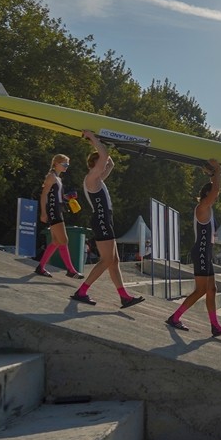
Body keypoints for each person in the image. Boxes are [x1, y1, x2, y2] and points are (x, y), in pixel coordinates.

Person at [69, 131, 145, 309]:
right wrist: (93, 138)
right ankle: (82, 291)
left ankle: (124, 297)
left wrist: (104, 144)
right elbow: (104, 157)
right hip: (101, 219)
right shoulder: (91, 178)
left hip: (105, 219)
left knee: (114, 261)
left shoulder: (98, 179)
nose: (103, 165)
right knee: (106, 260)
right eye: (100, 163)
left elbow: (110, 163)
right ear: (94, 165)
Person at [165, 159, 221, 337]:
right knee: (201, 290)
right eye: (214, 195)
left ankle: (215, 326)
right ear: (207, 195)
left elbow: (215, 188)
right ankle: (175, 317)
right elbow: (215, 189)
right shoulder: (202, 207)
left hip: (205, 253)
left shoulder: (207, 208)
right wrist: (218, 170)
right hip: (201, 252)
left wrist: (213, 175)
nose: (216, 197)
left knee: (212, 290)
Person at [35, 153, 83, 279]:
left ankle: (41, 267)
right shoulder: (51, 177)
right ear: (56, 164)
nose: (67, 166)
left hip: (57, 209)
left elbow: (56, 197)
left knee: (56, 241)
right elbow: (44, 194)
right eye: (64, 164)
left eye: (67, 164)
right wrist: (43, 212)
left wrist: (68, 197)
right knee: (64, 240)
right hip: (53, 210)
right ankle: (71, 270)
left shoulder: (58, 178)